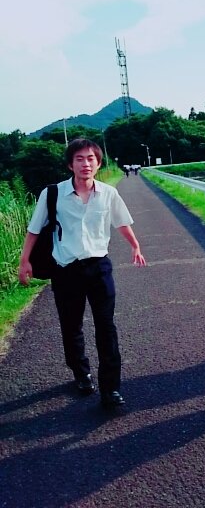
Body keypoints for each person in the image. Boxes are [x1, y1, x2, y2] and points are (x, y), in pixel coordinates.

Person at [18, 138, 146, 408]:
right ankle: (81, 372)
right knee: (71, 325)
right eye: (79, 159)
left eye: (91, 159)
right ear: (70, 164)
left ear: (98, 164)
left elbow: (121, 222)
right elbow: (34, 229)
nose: (85, 164)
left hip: (99, 267)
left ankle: (110, 389)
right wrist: (24, 261)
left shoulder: (108, 193)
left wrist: (135, 245)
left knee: (106, 326)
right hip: (66, 269)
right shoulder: (52, 194)